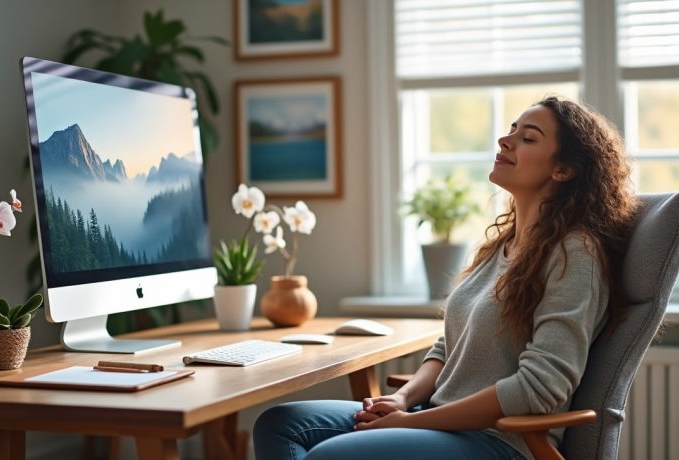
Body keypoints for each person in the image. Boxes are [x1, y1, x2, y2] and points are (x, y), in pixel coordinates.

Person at [252, 96, 638, 460]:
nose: (505, 140)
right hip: (436, 420)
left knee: (327, 456)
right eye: (511, 129)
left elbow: (540, 387)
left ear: (563, 169)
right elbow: (446, 348)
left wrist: (410, 422)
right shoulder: (503, 245)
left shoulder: (575, 254)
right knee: (281, 424)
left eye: (527, 137)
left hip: (500, 441)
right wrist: (402, 400)